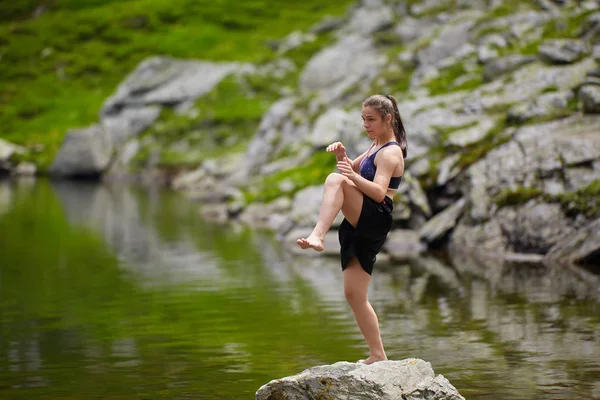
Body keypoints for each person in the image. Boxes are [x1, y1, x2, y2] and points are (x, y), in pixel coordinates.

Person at [296, 94, 408, 365]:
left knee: (336, 180)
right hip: (363, 218)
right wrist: (342, 155)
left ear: (387, 119)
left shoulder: (390, 152)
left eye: (371, 120)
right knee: (354, 295)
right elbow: (349, 168)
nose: (365, 125)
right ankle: (378, 355)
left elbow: (380, 192)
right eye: (363, 119)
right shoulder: (374, 146)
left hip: (376, 215)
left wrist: (350, 175)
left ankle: (319, 235)